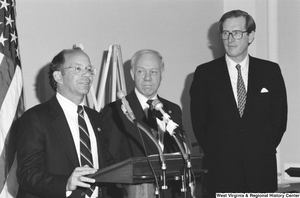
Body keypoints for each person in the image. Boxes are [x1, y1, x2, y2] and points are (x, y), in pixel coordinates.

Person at [190, 10, 288, 197]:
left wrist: (260, 149)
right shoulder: (205, 74)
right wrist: (219, 151)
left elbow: (279, 121)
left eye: (237, 33)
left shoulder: (270, 72)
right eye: (225, 33)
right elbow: (199, 124)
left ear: (250, 36)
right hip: (220, 171)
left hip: (261, 170)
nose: (230, 39)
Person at [16, 47, 113, 198]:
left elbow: (107, 164)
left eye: (89, 69)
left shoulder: (96, 118)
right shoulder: (36, 118)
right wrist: (66, 184)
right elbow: (27, 174)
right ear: (58, 76)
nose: (87, 74)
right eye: (78, 69)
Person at [100, 49, 183, 162]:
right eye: (141, 71)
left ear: (162, 74)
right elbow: (110, 159)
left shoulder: (173, 110)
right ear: (132, 74)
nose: (147, 78)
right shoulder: (115, 111)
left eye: (153, 72)